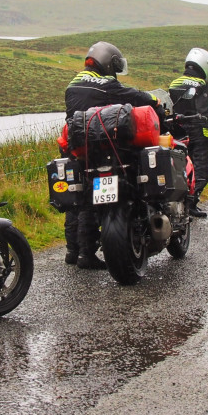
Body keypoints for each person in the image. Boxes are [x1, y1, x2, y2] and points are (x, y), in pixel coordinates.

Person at [63, 41, 159, 269]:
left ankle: (72, 250)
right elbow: (136, 97)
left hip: (78, 143)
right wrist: (154, 100)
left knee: (80, 198)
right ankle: (87, 253)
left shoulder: (73, 83)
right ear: (107, 62)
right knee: (89, 201)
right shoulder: (106, 84)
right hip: (105, 144)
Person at [168, 48, 208, 218]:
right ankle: (191, 203)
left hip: (177, 130)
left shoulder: (174, 83)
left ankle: (180, 203)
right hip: (198, 131)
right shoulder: (202, 85)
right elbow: (205, 113)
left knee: (181, 167)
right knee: (202, 169)